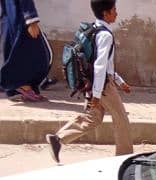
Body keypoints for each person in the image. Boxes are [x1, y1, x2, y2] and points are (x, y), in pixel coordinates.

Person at [45, 0, 132, 163]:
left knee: (93, 118)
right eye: (114, 9)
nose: (116, 13)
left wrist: (120, 82)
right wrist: (97, 95)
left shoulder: (93, 30)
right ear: (106, 13)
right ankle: (124, 157)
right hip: (102, 86)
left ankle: (57, 139)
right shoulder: (105, 35)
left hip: (90, 83)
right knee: (121, 120)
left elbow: (100, 63)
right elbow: (100, 66)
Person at [1, 0, 50, 101]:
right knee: (36, 56)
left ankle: (25, 87)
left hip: (11, 19)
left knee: (18, 53)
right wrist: (32, 21)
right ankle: (24, 86)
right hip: (20, 21)